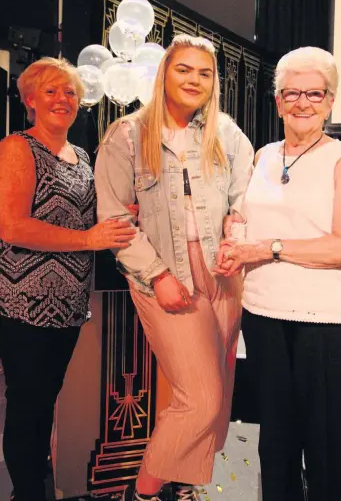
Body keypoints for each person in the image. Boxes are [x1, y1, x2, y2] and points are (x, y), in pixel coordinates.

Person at [95, 34, 254, 501]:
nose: (194, 79)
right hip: (163, 273)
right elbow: (114, 218)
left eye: (204, 73)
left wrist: (236, 236)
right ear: (166, 72)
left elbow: (243, 201)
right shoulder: (126, 134)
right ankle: (142, 492)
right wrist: (158, 276)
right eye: (184, 69)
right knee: (200, 396)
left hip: (223, 272)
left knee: (217, 396)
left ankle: (186, 485)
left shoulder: (227, 134)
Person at [215, 47, 341, 501]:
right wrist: (234, 228)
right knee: (274, 441)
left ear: (330, 101)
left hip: (325, 319)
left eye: (314, 93)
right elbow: (247, 216)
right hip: (263, 312)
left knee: (325, 443)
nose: (302, 103)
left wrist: (267, 248)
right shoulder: (263, 156)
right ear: (276, 101)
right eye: (291, 93)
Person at [0, 57, 136, 501]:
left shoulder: (80, 156)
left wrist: (119, 217)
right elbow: (12, 227)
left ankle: (36, 485)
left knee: (45, 402)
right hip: (27, 304)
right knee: (28, 406)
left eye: (70, 92)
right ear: (30, 100)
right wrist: (90, 238)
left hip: (70, 306)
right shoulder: (17, 147)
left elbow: (88, 219)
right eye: (51, 91)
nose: (63, 99)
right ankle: (26, 492)